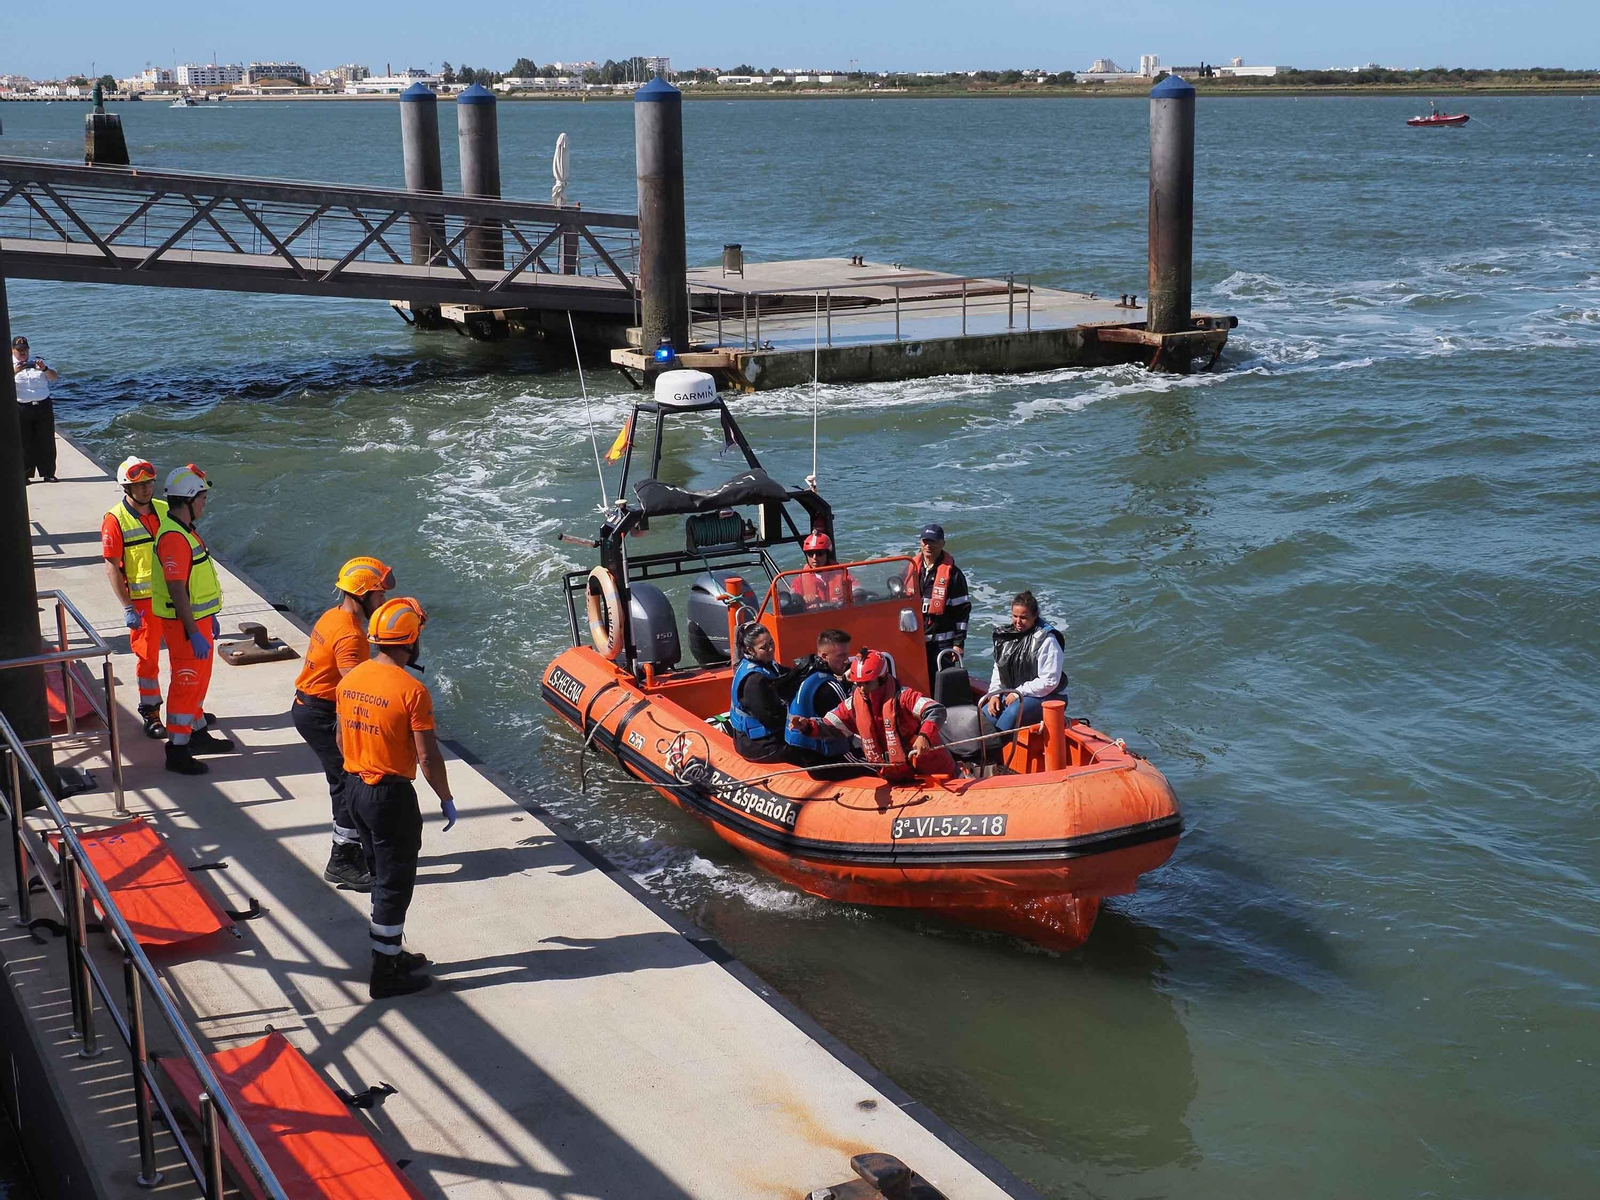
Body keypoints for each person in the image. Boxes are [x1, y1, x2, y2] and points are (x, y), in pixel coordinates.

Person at [335, 596, 456, 1000]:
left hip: (355, 789)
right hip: (390, 797)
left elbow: (339, 738)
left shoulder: (350, 679)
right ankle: (385, 973)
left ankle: (393, 952)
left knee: (379, 871)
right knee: (393, 883)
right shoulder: (412, 690)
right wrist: (445, 797)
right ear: (411, 640)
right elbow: (427, 756)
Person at [292, 556, 395, 893]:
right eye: (379, 595)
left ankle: (350, 852)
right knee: (356, 782)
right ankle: (341, 861)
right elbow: (355, 692)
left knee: (342, 782)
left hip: (310, 708)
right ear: (362, 595)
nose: (383, 602)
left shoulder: (333, 616)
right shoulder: (351, 636)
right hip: (322, 714)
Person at [151, 464, 233, 775]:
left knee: (198, 683)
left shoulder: (186, 531)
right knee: (186, 685)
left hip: (198, 623)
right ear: (187, 500)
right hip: (186, 627)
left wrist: (207, 618)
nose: (204, 503)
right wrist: (192, 630)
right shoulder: (174, 537)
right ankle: (178, 751)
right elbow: (176, 588)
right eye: (201, 497)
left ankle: (197, 734)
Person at [789, 649, 956, 782]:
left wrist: (924, 736)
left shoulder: (904, 697)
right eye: (858, 684)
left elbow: (935, 710)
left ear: (882, 679)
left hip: (935, 773)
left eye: (867, 683)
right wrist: (807, 726)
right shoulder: (854, 705)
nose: (862, 689)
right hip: (896, 778)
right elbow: (831, 726)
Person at [100, 456, 170, 739]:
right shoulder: (115, 520)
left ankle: (189, 710)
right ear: (126, 488)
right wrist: (127, 606)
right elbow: (112, 567)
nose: (146, 489)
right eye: (139, 485)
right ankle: (151, 711)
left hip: (172, 599)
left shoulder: (166, 510)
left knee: (182, 657)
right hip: (142, 606)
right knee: (147, 659)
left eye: (149, 483)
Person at [984, 590, 1069, 734]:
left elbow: (1049, 681)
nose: (1018, 621)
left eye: (1023, 617)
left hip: (1047, 697)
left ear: (1035, 616)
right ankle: (985, 748)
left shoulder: (1047, 640)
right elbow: (999, 668)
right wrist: (994, 694)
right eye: (1015, 616)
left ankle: (996, 752)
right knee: (986, 714)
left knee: (1013, 713)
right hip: (1013, 694)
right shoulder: (1007, 637)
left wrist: (1018, 693)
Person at [902, 523, 971, 686]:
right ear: (920, 542)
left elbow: (962, 612)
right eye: (925, 541)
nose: (928, 545)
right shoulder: (910, 570)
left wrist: (958, 644)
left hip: (942, 643)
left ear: (942, 544)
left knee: (942, 686)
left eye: (933, 541)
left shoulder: (954, 575)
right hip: (916, 640)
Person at [727, 622, 799, 764]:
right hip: (759, 745)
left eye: (771, 643)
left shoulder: (764, 662)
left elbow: (783, 675)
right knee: (811, 745)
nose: (771, 649)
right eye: (764, 648)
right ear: (750, 649)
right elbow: (771, 719)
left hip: (766, 736)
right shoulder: (754, 682)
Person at [785, 628, 854, 764]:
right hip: (825, 758)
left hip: (800, 751)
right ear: (824, 656)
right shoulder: (830, 686)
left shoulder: (804, 674)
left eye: (847, 655)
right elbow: (849, 723)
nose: (846, 660)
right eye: (841, 656)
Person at [12, 336, 60, 483]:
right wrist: (14, 371)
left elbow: (54, 377)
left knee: (46, 441)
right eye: (19, 350)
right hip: (22, 407)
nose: (22, 353)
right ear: (12, 350)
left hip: (43, 405)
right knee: (24, 442)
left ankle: (48, 473)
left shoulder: (38, 361)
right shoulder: (9, 364)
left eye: (25, 349)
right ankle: (25, 475)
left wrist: (44, 369)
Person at [790, 532, 854, 610]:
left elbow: (856, 589)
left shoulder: (842, 574)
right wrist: (803, 599)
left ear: (828, 554)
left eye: (819, 553)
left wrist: (855, 593)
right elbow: (792, 601)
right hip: (813, 618)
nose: (814, 557)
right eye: (810, 554)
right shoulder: (799, 580)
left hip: (840, 615)